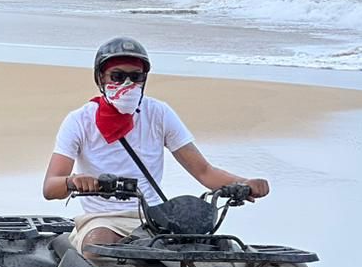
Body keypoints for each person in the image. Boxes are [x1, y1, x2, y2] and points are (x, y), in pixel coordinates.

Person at [42, 36, 270, 253]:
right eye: (118, 76)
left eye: (136, 76)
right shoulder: (79, 120)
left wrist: (244, 183)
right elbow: (51, 188)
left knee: (212, 256)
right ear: (101, 78)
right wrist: (74, 181)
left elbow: (204, 171)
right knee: (98, 248)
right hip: (103, 220)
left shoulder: (158, 113)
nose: (127, 83)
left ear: (145, 78)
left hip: (155, 218)